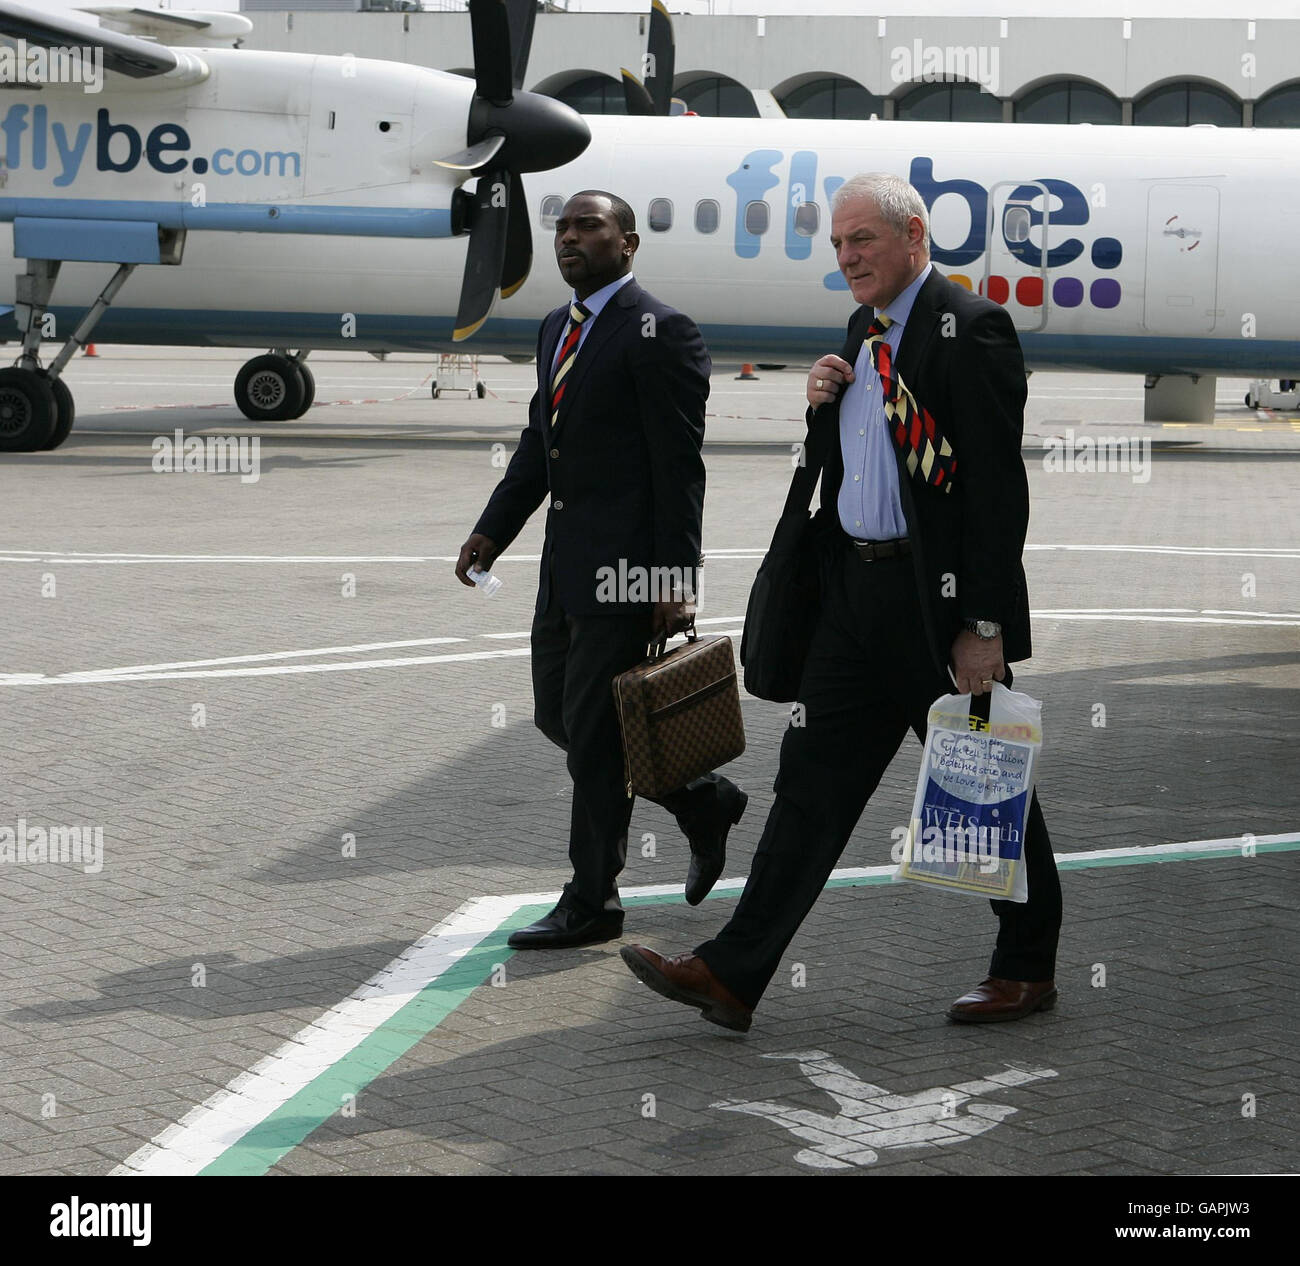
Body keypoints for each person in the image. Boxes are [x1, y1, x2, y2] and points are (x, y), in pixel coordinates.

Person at [620, 172, 1062, 1030]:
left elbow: (995, 498)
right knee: (810, 790)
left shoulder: (971, 330)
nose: (848, 257)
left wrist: (983, 625)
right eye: (839, 244)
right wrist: (822, 407)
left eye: (862, 240)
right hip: (853, 600)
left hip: (932, 605)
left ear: (914, 236)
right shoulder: (863, 332)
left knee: (984, 783)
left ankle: (1025, 968)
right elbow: (859, 463)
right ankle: (730, 973)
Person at [456, 190, 747, 950]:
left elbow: (678, 468)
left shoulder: (661, 331)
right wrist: (493, 529)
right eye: (563, 228)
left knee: (591, 738)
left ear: (628, 243)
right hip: (565, 570)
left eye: (590, 226)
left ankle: (592, 900)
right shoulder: (558, 327)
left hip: (627, 577)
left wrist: (673, 581)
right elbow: (538, 446)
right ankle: (699, 799)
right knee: (561, 716)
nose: (570, 239)